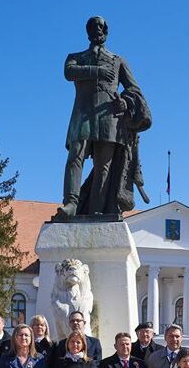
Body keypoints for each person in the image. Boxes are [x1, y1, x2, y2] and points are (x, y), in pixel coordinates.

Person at [57, 15, 148, 219]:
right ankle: (71, 203)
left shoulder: (118, 61)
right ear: (88, 32)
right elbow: (69, 72)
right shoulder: (76, 57)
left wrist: (126, 102)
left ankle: (97, 209)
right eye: (93, 26)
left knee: (103, 166)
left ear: (106, 31)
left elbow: (134, 89)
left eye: (101, 26)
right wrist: (97, 71)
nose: (97, 29)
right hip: (83, 115)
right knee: (75, 157)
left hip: (109, 118)